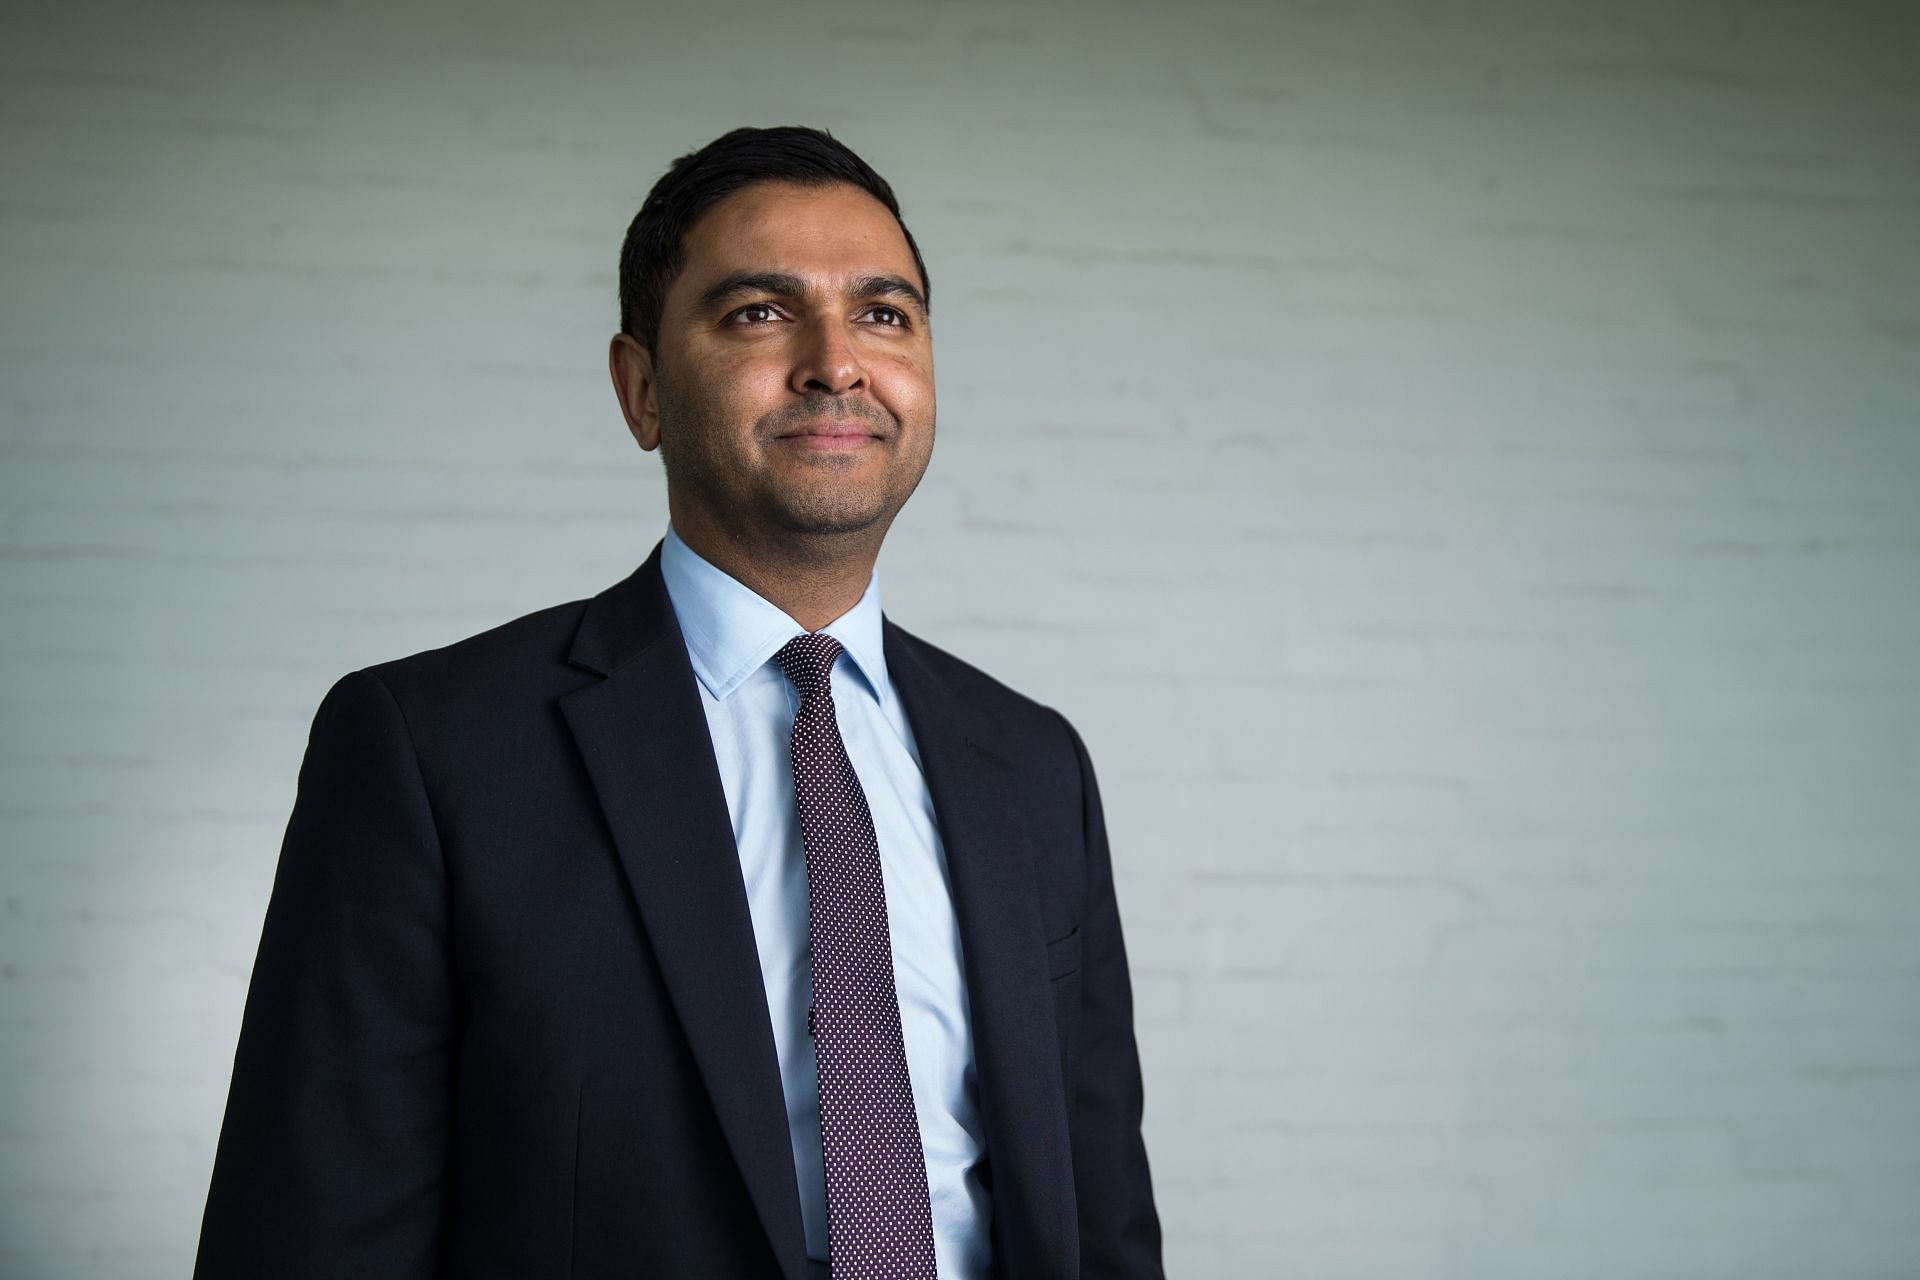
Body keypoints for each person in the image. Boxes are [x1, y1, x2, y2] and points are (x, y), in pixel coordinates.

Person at [194, 125, 1162, 1280]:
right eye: (760, 311)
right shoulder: (428, 751)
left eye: (884, 314)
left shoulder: (1033, 762)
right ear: (642, 388)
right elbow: (310, 1233)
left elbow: (1102, 1218)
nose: (836, 363)